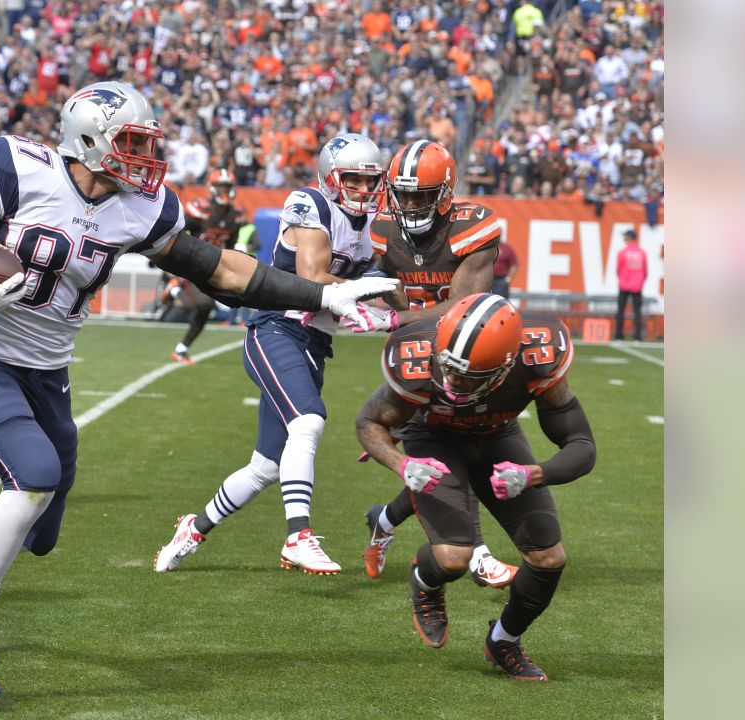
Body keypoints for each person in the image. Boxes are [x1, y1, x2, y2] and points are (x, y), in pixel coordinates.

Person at [0, 82, 398, 702]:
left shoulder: (140, 206)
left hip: (50, 373)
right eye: (132, 142)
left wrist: (322, 295)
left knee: (41, 532)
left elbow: (220, 269)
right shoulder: (18, 168)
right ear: (89, 139)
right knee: (32, 477)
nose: (145, 156)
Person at [154, 134, 388, 576]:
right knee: (309, 420)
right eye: (352, 179)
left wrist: (395, 316)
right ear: (331, 178)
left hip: (315, 343)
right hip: (277, 327)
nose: (361, 189)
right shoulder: (310, 204)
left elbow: (381, 295)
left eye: (368, 180)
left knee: (265, 467)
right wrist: (364, 294)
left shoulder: (372, 224)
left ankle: (194, 528)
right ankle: (298, 536)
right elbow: (312, 277)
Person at [355, 293, 595, 681]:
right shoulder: (417, 353)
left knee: (549, 558)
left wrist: (531, 474)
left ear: (506, 365)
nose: (452, 381)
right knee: (453, 558)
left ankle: (504, 641)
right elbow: (369, 423)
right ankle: (424, 579)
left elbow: (581, 446)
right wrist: (404, 465)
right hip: (433, 440)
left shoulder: (539, 355)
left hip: (498, 435)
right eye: (448, 367)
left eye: (468, 376)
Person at [352, 139, 519, 588]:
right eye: (402, 192)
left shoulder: (473, 224)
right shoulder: (384, 227)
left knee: (452, 455)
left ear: (445, 192)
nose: (409, 203)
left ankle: (383, 520)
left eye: (421, 194)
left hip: (464, 345)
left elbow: (463, 305)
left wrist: (393, 316)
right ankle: (479, 554)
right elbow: (397, 294)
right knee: (460, 448)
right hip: (417, 351)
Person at [167, 168, 248, 364]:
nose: (225, 191)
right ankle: (175, 288)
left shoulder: (235, 216)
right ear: (211, 188)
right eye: (222, 186)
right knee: (205, 304)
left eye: (228, 187)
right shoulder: (200, 210)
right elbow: (176, 232)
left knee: (208, 308)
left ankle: (181, 349)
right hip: (193, 265)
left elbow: (230, 245)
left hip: (215, 266)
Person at [614, 228, 647, 341]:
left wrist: (623, 279)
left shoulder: (622, 252)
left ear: (629, 237)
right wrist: (640, 281)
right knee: (637, 311)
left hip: (624, 284)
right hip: (637, 285)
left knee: (621, 310)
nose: (624, 238)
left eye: (625, 236)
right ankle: (637, 336)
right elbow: (645, 270)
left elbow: (618, 269)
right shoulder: (642, 252)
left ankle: (619, 335)